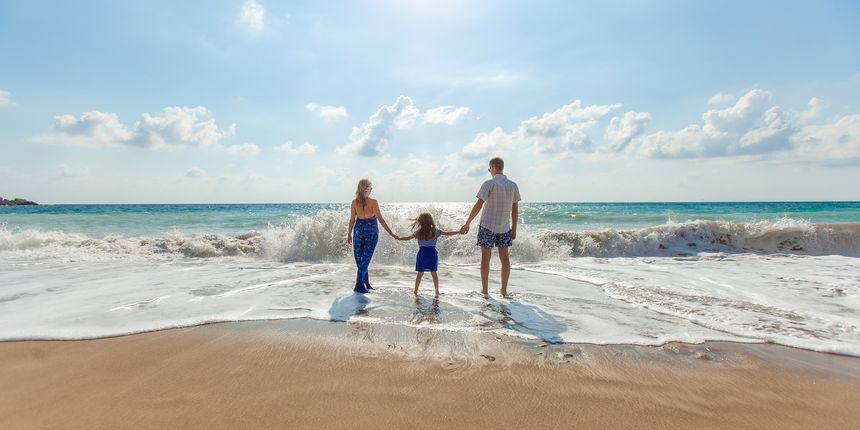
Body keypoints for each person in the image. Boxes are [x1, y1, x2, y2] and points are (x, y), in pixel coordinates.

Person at [459, 157, 521, 296]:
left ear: (493, 168)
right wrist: (514, 228)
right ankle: (504, 291)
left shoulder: (489, 183)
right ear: (502, 168)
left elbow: (479, 205)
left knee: (485, 259)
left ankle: (485, 290)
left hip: (487, 226)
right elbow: (515, 210)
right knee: (505, 259)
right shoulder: (513, 185)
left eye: (489, 169)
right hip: (504, 227)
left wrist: (467, 223)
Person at [347, 179, 397, 293]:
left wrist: (349, 234)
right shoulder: (373, 202)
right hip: (370, 231)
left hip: (358, 230)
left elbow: (352, 220)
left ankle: (366, 283)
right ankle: (359, 285)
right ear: (366, 189)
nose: (372, 189)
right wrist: (391, 233)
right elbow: (380, 219)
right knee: (363, 260)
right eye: (370, 187)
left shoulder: (355, 202)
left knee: (362, 260)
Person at [397, 213, 462, 296]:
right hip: (432, 254)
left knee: (420, 273)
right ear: (431, 221)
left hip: (422, 254)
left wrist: (398, 238)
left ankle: (415, 291)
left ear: (420, 222)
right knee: (434, 273)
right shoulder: (435, 231)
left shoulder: (418, 232)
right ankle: (437, 291)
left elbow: (408, 238)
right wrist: (459, 232)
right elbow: (448, 233)